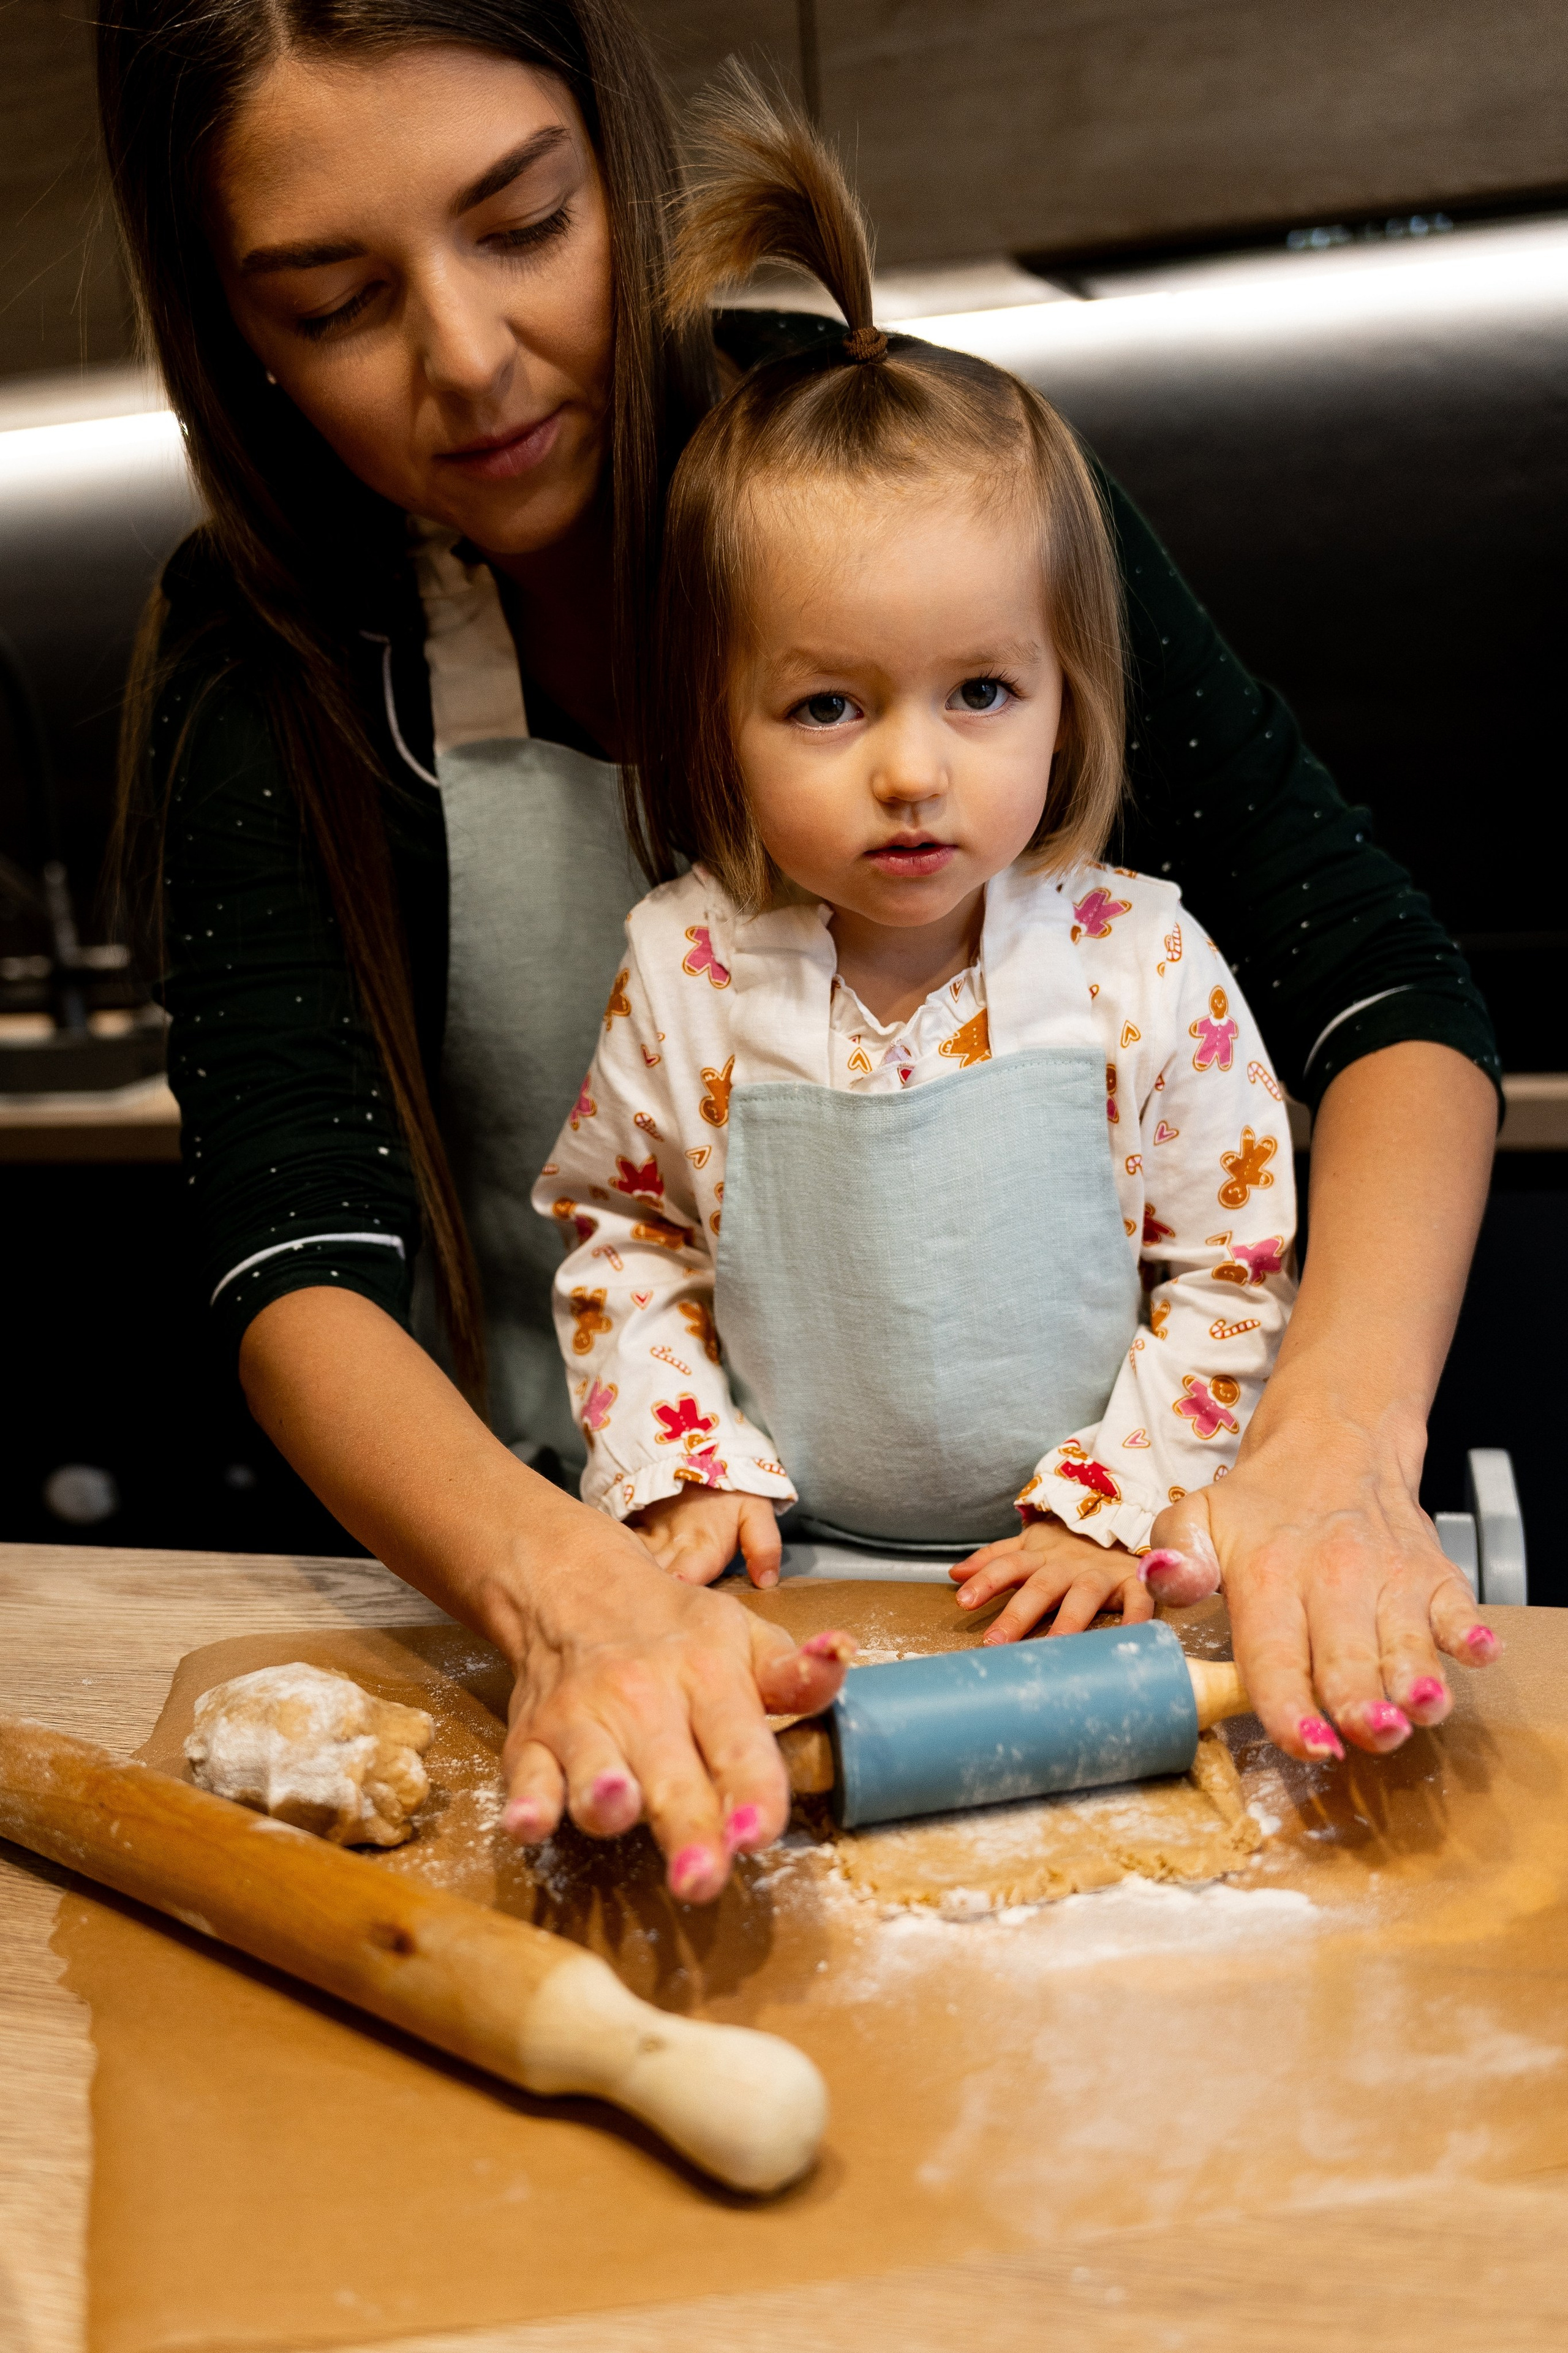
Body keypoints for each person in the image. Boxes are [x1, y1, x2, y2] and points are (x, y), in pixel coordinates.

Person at [99, 0, 1500, 1906]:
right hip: (636, 1619)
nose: (469, 355)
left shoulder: (929, 478)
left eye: (525, 224)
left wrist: (1332, 1442)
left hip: (1093, 1600)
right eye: (336, 302)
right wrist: (574, 1586)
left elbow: (1384, 988)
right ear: (232, 335)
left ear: (624, 165)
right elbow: (297, 1261)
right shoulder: (275, 654)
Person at [536, 86, 1325, 1718]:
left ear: (1066, 694)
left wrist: (1108, 1508)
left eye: (979, 692)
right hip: (793, 1589)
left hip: (1094, 1589)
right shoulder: (684, 971)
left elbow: (1233, 1268)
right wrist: (691, 1470)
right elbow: (627, 1241)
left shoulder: (1141, 964)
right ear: (720, 720)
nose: (913, 771)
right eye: (829, 706)